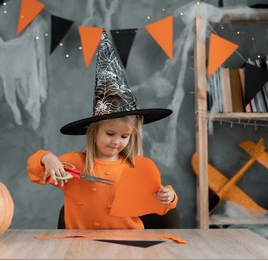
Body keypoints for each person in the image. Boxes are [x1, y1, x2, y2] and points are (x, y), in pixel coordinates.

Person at [27, 29, 177, 230]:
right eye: (110, 134)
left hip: (130, 245)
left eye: (124, 136)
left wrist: (169, 195)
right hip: (80, 246)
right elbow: (35, 171)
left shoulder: (135, 168)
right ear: (93, 131)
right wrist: (46, 159)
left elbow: (161, 203)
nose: (117, 141)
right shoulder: (75, 164)